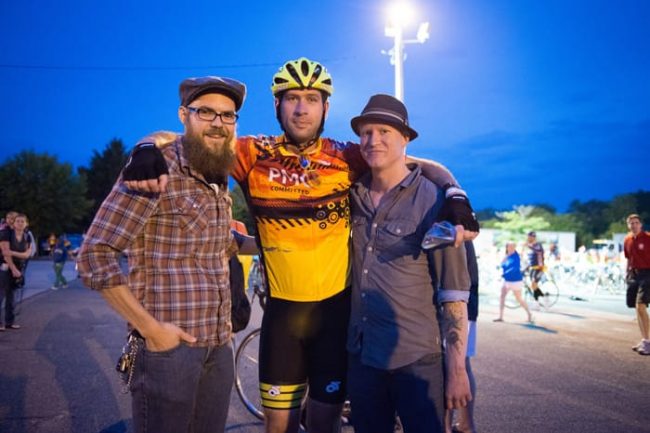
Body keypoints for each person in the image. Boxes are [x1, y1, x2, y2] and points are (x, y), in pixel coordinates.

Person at [121, 57, 480, 433]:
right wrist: (145, 146)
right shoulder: (252, 153)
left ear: (326, 107)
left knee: (325, 426)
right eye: (292, 98)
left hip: (335, 322)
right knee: (279, 429)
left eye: (311, 98)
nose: (301, 108)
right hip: (282, 323)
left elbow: (412, 162)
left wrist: (454, 193)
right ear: (277, 104)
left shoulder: (346, 155)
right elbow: (189, 140)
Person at [76, 76, 256, 433]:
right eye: (206, 112)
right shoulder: (155, 169)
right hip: (168, 351)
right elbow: (94, 255)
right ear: (183, 115)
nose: (218, 123)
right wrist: (151, 330)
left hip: (219, 345)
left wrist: (272, 242)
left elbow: (221, 241)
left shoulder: (216, 173)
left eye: (227, 115)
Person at [345, 93, 471, 433]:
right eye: (366, 132)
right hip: (362, 355)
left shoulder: (435, 202)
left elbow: (453, 293)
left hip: (416, 361)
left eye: (384, 131)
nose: (373, 140)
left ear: (406, 139)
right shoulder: (351, 195)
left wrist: (457, 370)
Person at [446, 241, 479, 433]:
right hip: (467, 302)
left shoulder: (449, 227)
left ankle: (446, 426)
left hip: (456, 306)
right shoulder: (463, 230)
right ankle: (466, 425)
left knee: (448, 365)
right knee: (463, 364)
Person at [623, 214, 650, 356]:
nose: (634, 225)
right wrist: (627, 274)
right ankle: (644, 340)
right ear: (628, 225)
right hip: (633, 274)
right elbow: (628, 258)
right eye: (631, 223)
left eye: (636, 222)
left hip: (647, 274)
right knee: (636, 308)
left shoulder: (648, 238)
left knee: (641, 306)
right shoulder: (627, 240)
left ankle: (648, 342)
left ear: (641, 224)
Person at [0, 213, 32, 330]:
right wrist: (13, 268)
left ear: (26, 224)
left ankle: (9, 322)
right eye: (17, 221)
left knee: (11, 296)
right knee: (1, 295)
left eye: (22, 221)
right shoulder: (6, 234)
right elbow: (5, 253)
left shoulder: (27, 236)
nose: (20, 223)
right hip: (5, 267)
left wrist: (13, 253)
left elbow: (27, 254)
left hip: (18, 268)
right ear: (13, 223)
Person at [494, 241, 533, 323]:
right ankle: (500, 316)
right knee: (502, 296)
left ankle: (529, 314)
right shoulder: (506, 256)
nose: (511, 248)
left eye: (513, 247)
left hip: (516, 280)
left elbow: (514, 268)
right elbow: (501, 266)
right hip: (507, 280)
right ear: (507, 247)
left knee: (519, 299)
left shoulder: (517, 256)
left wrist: (525, 244)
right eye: (510, 246)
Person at [525, 231, 546, 300]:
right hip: (532, 267)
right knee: (533, 284)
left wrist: (528, 245)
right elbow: (531, 258)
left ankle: (538, 298)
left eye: (529, 237)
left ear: (533, 237)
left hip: (539, 267)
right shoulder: (531, 246)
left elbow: (538, 250)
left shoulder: (537, 245)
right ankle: (540, 296)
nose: (528, 238)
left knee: (534, 283)